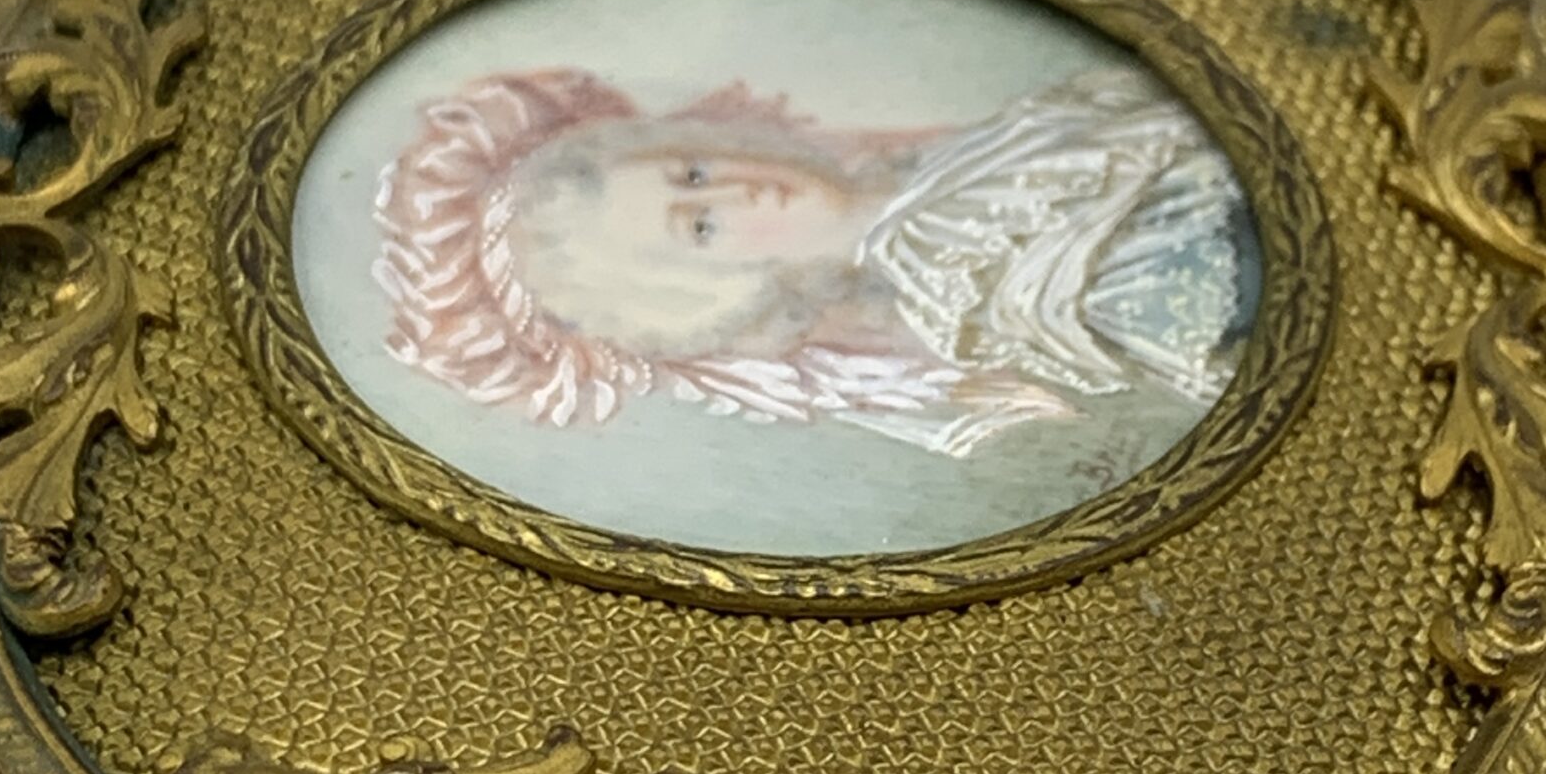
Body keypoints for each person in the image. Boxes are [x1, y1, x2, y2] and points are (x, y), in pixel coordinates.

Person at [374, 59, 1253, 460]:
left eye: (692, 171)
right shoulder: (942, 273)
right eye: (702, 228)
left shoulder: (921, 168)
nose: (738, 191)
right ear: (716, 298)